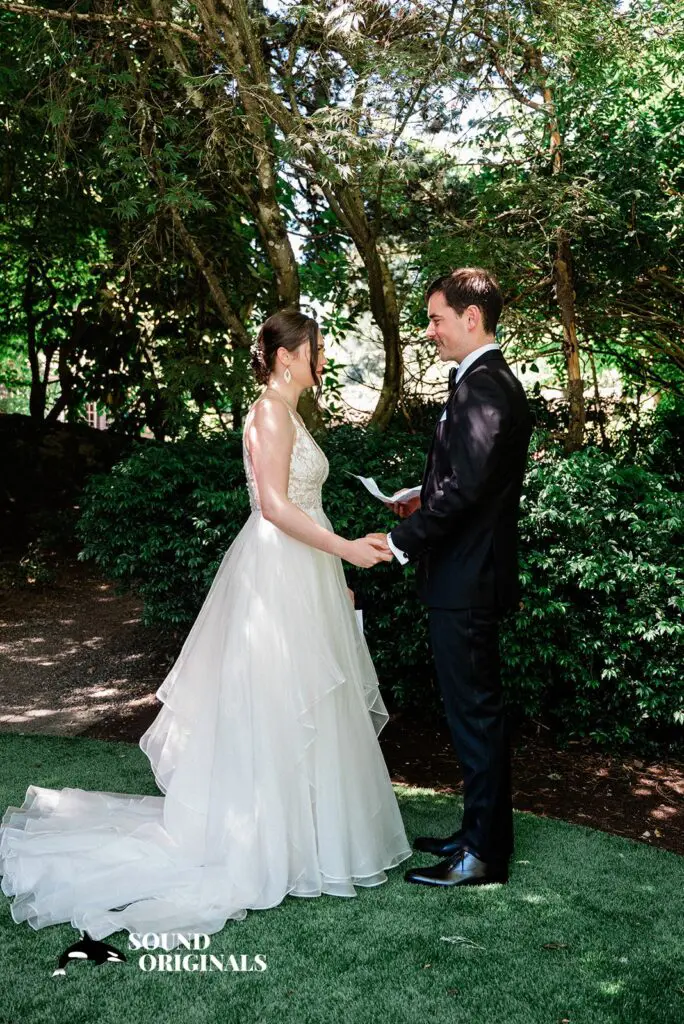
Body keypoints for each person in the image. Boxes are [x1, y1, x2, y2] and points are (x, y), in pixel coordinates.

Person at [0, 310, 411, 950]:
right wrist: (346, 550)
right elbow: (273, 506)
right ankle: (264, 843)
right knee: (278, 699)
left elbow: (303, 503)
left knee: (305, 697)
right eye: (316, 349)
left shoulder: (290, 412)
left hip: (304, 569)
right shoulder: (269, 412)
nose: (322, 359)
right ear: (286, 356)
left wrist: (336, 571)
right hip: (277, 570)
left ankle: (306, 836)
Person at [374, 267, 533, 888]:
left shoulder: (486, 386)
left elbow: (467, 491)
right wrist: (423, 496)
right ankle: (476, 834)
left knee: (476, 718)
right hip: (464, 574)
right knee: (472, 715)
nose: (430, 330)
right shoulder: (478, 381)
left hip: (468, 579)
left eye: (436, 318)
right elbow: (471, 479)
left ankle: (483, 856)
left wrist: (399, 541)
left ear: (472, 317)